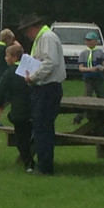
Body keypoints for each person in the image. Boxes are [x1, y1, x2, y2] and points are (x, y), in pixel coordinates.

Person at [18, 14, 66, 176]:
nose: (27, 36)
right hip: (42, 88)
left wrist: (32, 76)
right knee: (40, 126)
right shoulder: (43, 38)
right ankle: (44, 164)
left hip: (48, 88)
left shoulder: (47, 38)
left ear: (33, 28)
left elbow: (50, 63)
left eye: (27, 32)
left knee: (42, 128)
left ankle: (45, 167)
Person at [3, 43, 35, 172]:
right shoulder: (32, 70)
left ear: (14, 58)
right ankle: (30, 161)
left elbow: (0, 91)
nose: (5, 58)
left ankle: (28, 163)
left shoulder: (11, 72)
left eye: (7, 56)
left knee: (21, 138)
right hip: (34, 110)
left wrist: (2, 102)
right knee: (29, 135)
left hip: (20, 112)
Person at [72, 30, 104, 123]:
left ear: (95, 41)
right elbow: (80, 68)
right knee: (87, 98)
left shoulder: (100, 52)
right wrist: (90, 69)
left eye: (91, 40)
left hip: (99, 79)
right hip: (88, 79)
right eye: (87, 40)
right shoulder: (84, 54)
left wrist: (101, 68)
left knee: (102, 97)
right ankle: (79, 117)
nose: (89, 42)